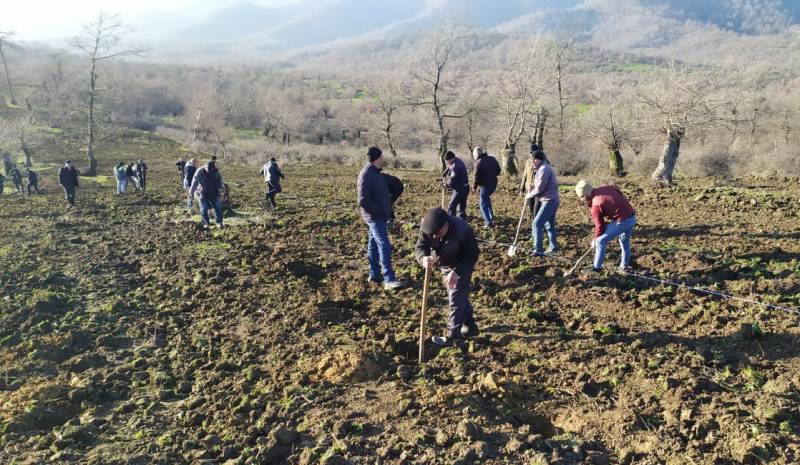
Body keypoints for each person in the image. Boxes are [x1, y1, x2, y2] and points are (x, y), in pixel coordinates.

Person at [415, 207, 480, 347]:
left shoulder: (463, 230)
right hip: (443, 262)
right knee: (458, 294)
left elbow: (472, 255)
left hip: (461, 263)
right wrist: (423, 258)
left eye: (438, 234)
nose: (434, 237)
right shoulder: (427, 227)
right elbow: (420, 247)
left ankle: (452, 336)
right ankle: (470, 325)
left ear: (446, 225)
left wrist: (456, 271)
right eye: (432, 235)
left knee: (455, 296)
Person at [357, 147, 406, 290]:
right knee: (384, 245)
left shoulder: (375, 173)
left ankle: (374, 274)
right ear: (377, 158)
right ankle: (389, 279)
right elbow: (363, 200)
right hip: (375, 217)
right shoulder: (366, 174)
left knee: (373, 245)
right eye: (382, 156)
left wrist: (387, 209)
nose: (384, 159)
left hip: (378, 216)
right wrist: (381, 212)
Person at [575, 180, 637, 272]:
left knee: (600, 241)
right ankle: (624, 266)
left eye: (582, 197)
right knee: (624, 242)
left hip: (623, 221)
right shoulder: (605, 187)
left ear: (587, 194)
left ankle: (596, 268)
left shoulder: (595, 205)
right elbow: (617, 190)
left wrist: (595, 240)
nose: (581, 199)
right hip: (632, 216)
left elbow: (599, 227)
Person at [526, 150, 560, 256]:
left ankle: (538, 250)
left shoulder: (543, 169)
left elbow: (540, 189)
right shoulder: (542, 168)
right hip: (552, 200)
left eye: (532, 159)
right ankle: (553, 247)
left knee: (536, 224)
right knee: (549, 225)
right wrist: (533, 185)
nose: (531, 161)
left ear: (538, 159)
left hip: (549, 201)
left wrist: (529, 194)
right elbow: (541, 184)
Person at [189, 159, 225, 229]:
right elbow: (195, 182)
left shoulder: (215, 171)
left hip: (214, 191)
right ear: (205, 167)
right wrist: (191, 191)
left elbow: (219, 179)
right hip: (202, 193)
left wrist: (221, 187)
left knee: (217, 208)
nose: (210, 171)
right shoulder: (199, 171)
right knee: (203, 209)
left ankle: (219, 222)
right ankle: (206, 224)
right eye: (209, 169)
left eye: (211, 169)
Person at [471, 146, 501, 228]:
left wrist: (474, 187)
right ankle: (490, 216)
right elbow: (499, 170)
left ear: (476, 155)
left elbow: (476, 177)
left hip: (484, 186)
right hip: (494, 184)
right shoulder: (492, 159)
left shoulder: (478, 163)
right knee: (486, 198)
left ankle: (488, 222)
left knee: (482, 204)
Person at [519, 144, 548, 218]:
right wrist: (522, 189)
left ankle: (537, 223)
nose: (530, 154)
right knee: (531, 208)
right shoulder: (528, 162)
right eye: (530, 152)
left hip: (538, 189)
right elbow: (524, 175)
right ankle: (533, 221)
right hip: (529, 188)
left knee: (537, 209)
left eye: (532, 152)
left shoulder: (543, 162)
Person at [442, 151, 469, 220]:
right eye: (446, 161)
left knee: (452, 205)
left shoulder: (456, 166)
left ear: (452, 158)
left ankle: (451, 220)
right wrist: (445, 172)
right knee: (461, 206)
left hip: (461, 189)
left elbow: (452, 179)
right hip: (465, 187)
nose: (447, 163)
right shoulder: (455, 161)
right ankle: (462, 219)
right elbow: (449, 166)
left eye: (448, 161)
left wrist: (446, 185)